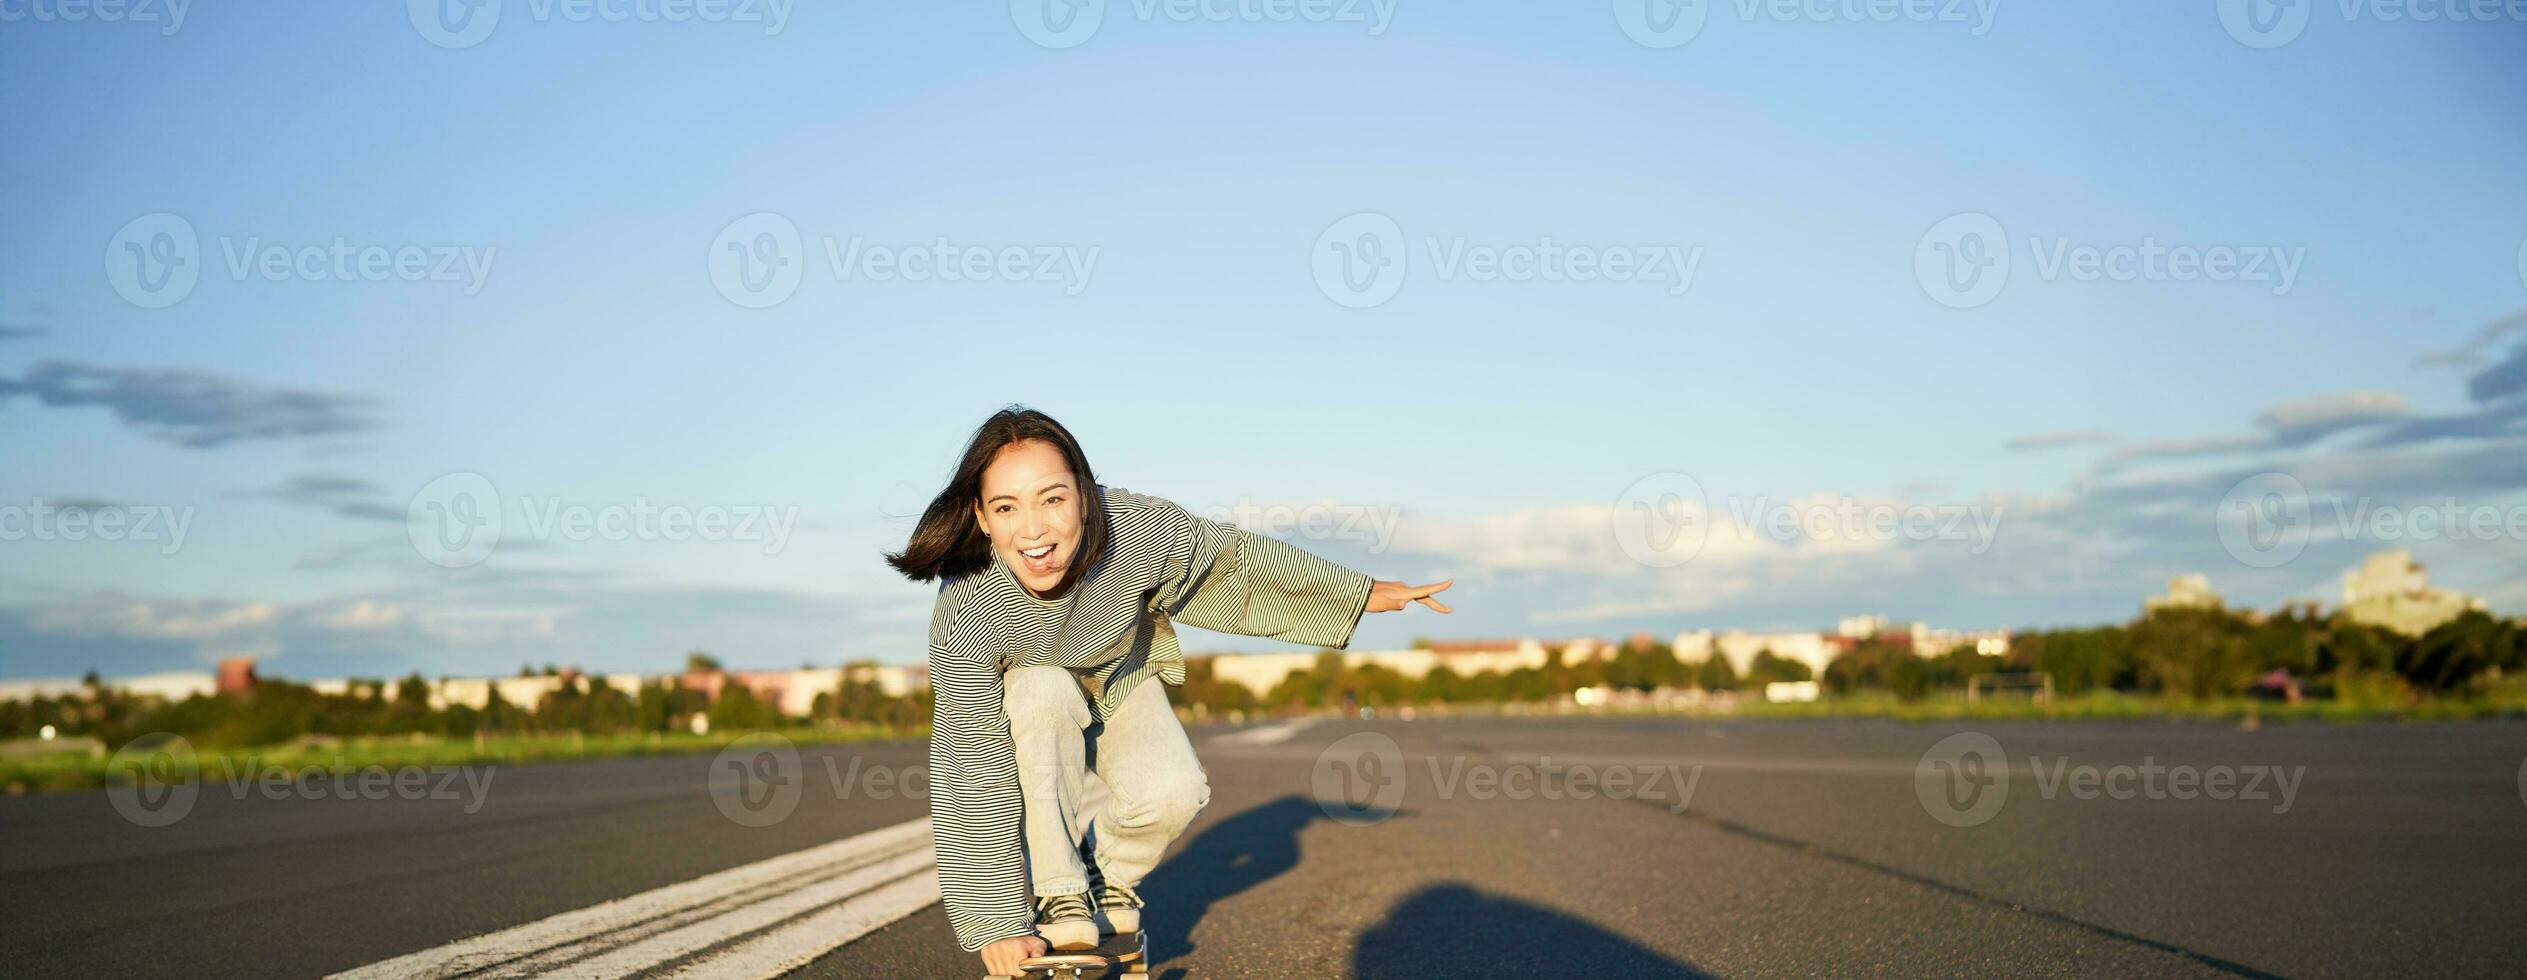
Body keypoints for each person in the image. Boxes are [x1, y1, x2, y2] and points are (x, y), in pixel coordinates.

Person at [885, 407, 1454, 978]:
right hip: (1032, 701)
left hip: (1121, 676)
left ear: (1084, 496)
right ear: (982, 518)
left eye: (1052, 499)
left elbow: (1233, 566)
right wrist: (996, 924)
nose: (1032, 530)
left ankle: (1107, 878)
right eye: (1007, 508)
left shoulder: (1138, 529)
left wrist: (1357, 593)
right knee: (1042, 690)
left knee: (1175, 790)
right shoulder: (969, 601)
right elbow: (969, 756)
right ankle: (1060, 894)